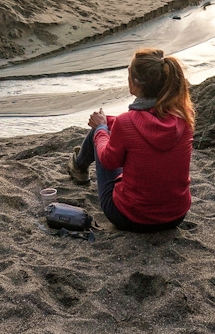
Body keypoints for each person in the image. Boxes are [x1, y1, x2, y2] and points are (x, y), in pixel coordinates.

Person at [66, 48, 193, 232]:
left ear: (135, 82)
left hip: (130, 217)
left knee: (97, 134)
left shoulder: (126, 123)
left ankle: (78, 168)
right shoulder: (184, 116)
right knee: (104, 128)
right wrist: (108, 121)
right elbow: (145, 120)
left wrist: (101, 128)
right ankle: (78, 166)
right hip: (175, 216)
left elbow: (108, 161)